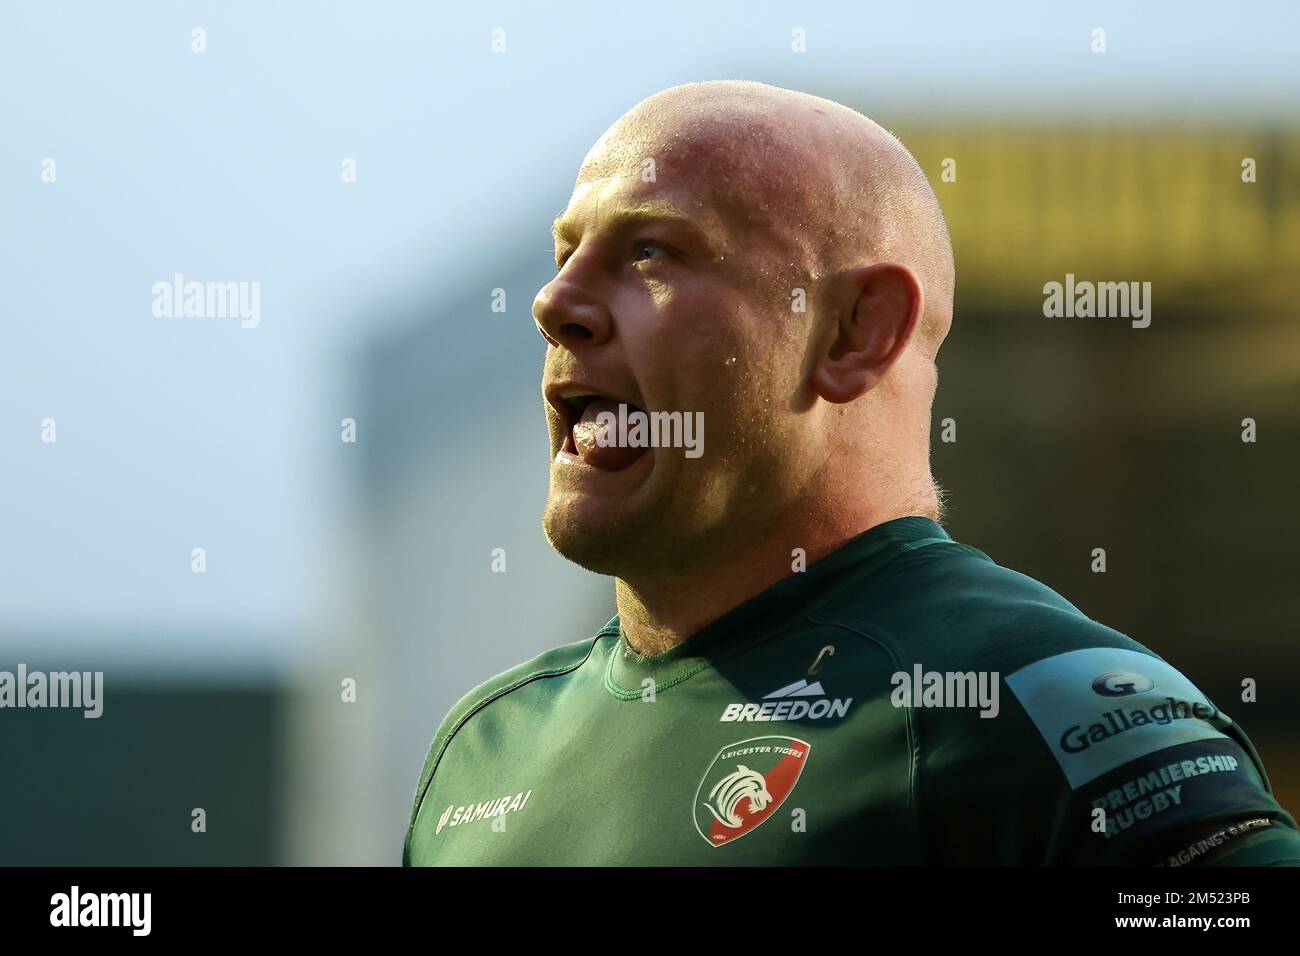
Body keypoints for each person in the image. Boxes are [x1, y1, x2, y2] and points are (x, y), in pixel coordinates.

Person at [403, 80, 1300, 865]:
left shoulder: (1034, 700)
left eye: (651, 252)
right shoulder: (484, 749)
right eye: (566, 255)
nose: (554, 305)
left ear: (856, 332)